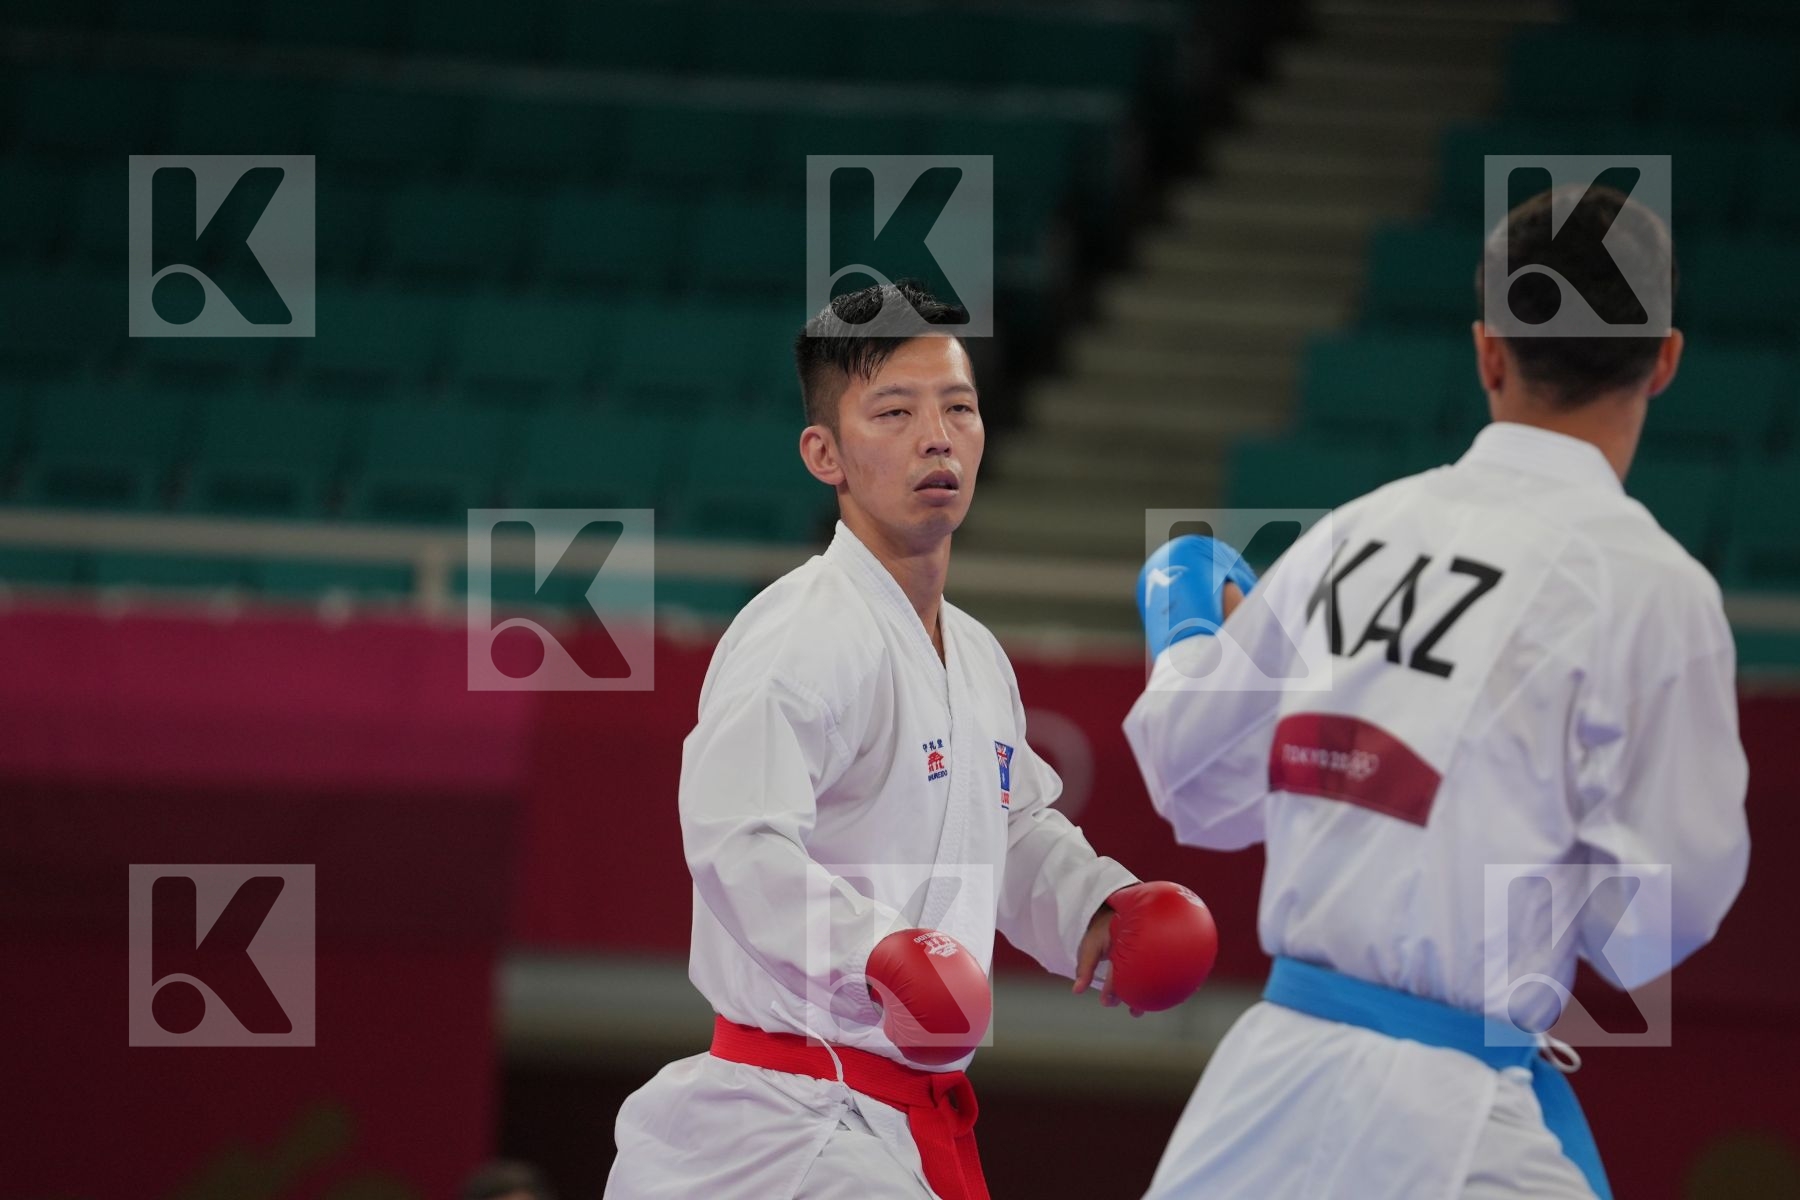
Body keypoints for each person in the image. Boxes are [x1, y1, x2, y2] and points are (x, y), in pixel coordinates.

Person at [1124, 186, 1751, 1199]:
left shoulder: (1352, 533)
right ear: (1665, 359)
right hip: (1462, 1124)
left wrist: (1188, 625)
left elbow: (1188, 773)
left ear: (1488, 351)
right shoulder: (1654, 590)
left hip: (1263, 1099)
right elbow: (1661, 919)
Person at [606, 282, 1217, 1200]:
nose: (937, 436)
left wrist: (1097, 906)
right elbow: (737, 842)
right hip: (779, 1128)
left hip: (890, 1123)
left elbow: (1006, 827)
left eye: (958, 408)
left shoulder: (973, 653)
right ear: (826, 454)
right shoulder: (799, 632)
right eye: (894, 412)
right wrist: (878, 954)